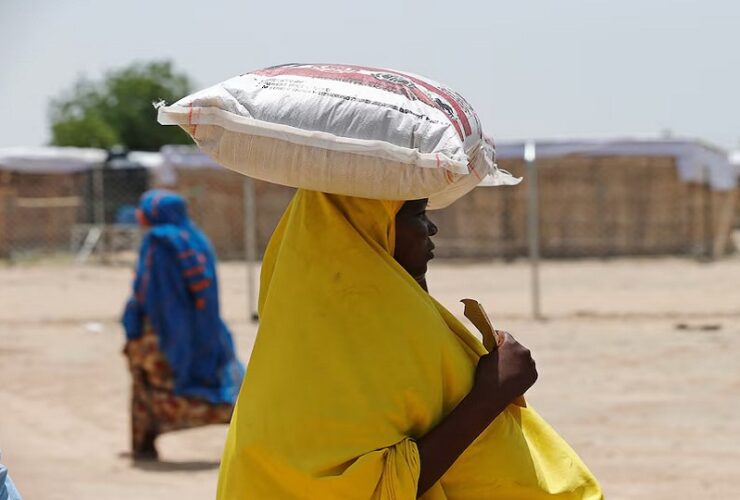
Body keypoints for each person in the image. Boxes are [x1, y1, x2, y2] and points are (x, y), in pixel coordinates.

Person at [216, 189, 602, 498]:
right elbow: (374, 488)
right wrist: (492, 393)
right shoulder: (358, 335)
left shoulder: (325, 312)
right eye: (416, 214)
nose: (431, 229)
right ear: (369, 226)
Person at [122, 189, 244, 460]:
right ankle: (245, 426)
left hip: (158, 331)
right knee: (214, 381)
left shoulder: (157, 242)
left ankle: (144, 446)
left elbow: (146, 291)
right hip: (203, 330)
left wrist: (132, 322)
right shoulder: (198, 240)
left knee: (146, 384)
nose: (139, 215)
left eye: (144, 209)